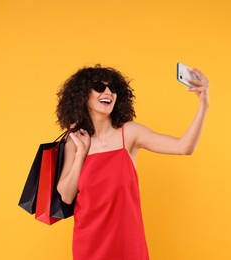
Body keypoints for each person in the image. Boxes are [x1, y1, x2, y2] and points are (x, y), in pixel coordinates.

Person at [56, 64, 209, 260]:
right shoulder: (75, 141)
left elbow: (184, 147)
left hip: (128, 246)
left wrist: (204, 104)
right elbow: (67, 197)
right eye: (99, 87)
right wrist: (81, 154)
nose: (108, 92)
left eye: (113, 89)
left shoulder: (129, 133)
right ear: (83, 96)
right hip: (89, 247)